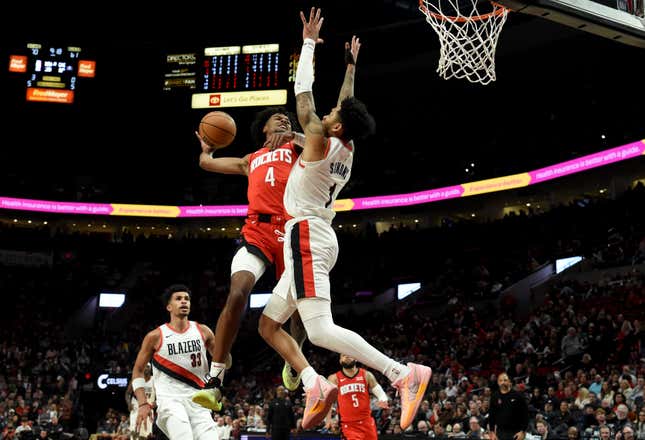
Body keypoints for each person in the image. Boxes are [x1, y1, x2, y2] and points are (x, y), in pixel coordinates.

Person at [258, 6, 432, 432]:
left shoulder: (320, 136)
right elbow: (343, 106)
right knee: (267, 324)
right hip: (316, 236)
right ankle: (315, 383)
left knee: (319, 331)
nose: (329, 115)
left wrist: (307, 44)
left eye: (333, 118)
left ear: (335, 128)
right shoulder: (345, 146)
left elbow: (304, 100)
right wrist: (352, 66)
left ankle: (400, 373)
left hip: (306, 237)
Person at [191, 105, 308, 409]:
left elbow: (321, 143)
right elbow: (206, 164)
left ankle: (294, 359)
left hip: (293, 231)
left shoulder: (298, 148)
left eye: (287, 119)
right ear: (264, 129)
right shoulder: (249, 160)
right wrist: (208, 148)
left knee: (299, 312)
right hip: (257, 230)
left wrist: (293, 133)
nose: (283, 119)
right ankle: (214, 379)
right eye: (277, 119)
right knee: (238, 292)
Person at [130, 284, 220, 440]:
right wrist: (143, 403)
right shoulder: (156, 336)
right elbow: (137, 370)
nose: (184, 302)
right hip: (170, 402)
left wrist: (225, 351)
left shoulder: (203, 331)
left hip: (199, 401)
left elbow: (224, 362)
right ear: (169, 307)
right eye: (178, 299)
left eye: (187, 299)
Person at [325, 354, 389, 440]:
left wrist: (383, 400)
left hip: (367, 423)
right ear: (340, 361)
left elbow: (379, 392)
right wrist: (328, 420)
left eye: (349, 355)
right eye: (343, 356)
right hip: (348, 425)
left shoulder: (366, 375)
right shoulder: (334, 378)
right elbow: (328, 401)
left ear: (356, 359)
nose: (347, 357)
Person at [487, 373, 529, 440]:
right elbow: (492, 415)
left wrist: (522, 431)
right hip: (500, 432)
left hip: (516, 432)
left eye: (505, 380)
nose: (503, 382)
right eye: (500, 380)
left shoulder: (518, 396)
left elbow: (525, 415)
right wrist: (492, 431)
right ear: (498, 382)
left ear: (509, 382)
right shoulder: (494, 396)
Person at [126, 363, 155, 439]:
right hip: (136, 406)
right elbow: (127, 393)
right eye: (144, 366)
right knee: (134, 431)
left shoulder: (154, 380)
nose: (146, 368)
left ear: (150, 369)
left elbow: (161, 394)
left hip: (149, 407)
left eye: (148, 367)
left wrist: (156, 402)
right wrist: (129, 403)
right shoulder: (136, 379)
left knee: (147, 434)